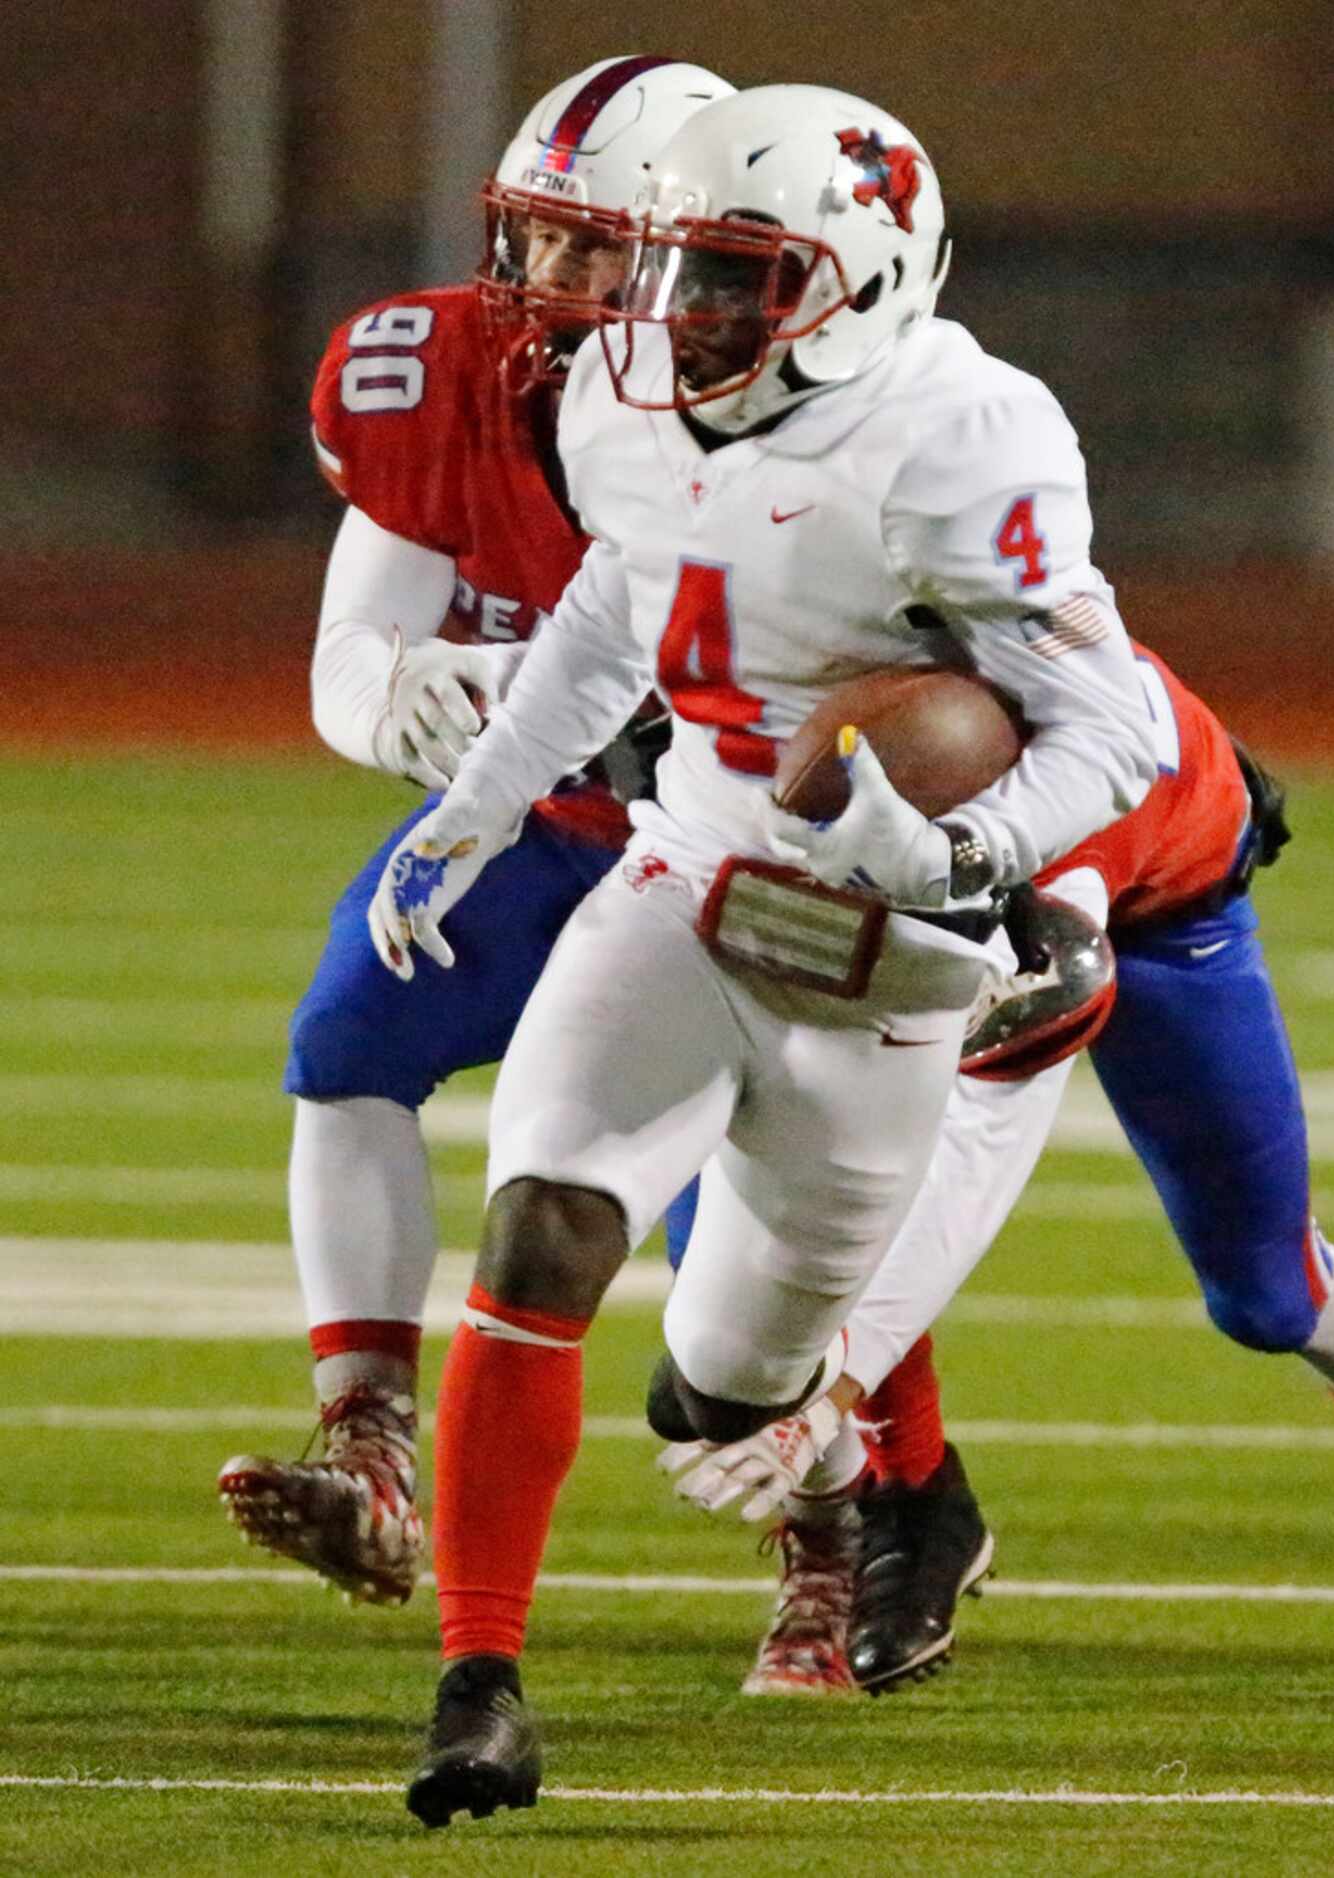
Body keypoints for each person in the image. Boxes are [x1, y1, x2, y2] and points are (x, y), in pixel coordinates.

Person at [365, 83, 1162, 1826]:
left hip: (885, 947)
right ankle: (478, 1679)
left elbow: (1116, 732)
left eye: (737, 277)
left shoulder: (968, 433)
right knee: (546, 1211)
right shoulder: (617, 397)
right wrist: (482, 801)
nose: (686, 316)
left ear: (864, 279)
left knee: (719, 1392)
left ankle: (835, 1438)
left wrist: (958, 849)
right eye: (682, 269)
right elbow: (607, 607)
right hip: (688, 866)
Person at [664, 645, 1334, 1696]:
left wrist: (824, 1393)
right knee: (800, 1182)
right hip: (964, 821)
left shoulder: (1051, 872)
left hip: (1165, 898)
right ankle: (914, 1498)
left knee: (1268, 1292)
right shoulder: (811, 681)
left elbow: (975, 1155)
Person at [217, 57, 735, 1607]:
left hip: (730, 846)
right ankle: (368, 1436)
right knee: (348, 1033)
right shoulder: (428, 372)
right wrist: (416, 703)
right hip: (541, 819)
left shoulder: (773, 405)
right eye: (538, 235)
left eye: (599, 242)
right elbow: (348, 660)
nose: (554, 276)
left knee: (741, 1258)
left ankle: (855, 1515)